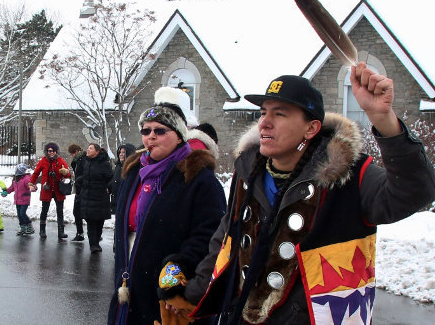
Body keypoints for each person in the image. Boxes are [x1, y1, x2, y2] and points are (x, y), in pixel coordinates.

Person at [159, 63, 435, 325]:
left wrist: (384, 120)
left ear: (311, 128)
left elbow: (415, 191)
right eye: (264, 112)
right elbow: (225, 242)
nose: (264, 122)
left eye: (279, 114)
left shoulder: (348, 176)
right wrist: (190, 295)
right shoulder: (248, 173)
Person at [107, 87, 227, 324]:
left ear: (180, 135)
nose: (151, 136)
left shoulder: (198, 178)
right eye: (146, 130)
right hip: (128, 282)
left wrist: (176, 270)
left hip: (170, 293)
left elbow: (210, 236)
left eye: (160, 131)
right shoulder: (134, 172)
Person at [29, 142, 71, 240]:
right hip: (46, 189)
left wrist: (65, 172)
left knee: (60, 210)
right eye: (49, 151)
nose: (51, 153)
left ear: (56, 151)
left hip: (58, 189)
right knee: (44, 210)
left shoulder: (60, 161)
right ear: (46, 152)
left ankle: (61, 232)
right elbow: (36, 173)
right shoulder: (43, 161)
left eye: (53, 151)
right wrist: (31, 183)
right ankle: (42, 230)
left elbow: (68, 174)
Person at [77, 143, 113, 253]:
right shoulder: (86, 162)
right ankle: (93, 244)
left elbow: (111, 178)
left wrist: (109, 188)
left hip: (100, 197)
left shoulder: (104, 163)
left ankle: (96, 241)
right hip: (88, 197)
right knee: (91, 222)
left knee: (99, 222)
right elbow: (83, 175)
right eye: (88, 148)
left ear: (97, 152)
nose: (87, 150)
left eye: (90, 148)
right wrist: (80, 180)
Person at [6, 163, 35, 235]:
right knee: (19, 215)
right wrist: (6, 191)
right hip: (18, 200)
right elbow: (12, 188)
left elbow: (31, 185)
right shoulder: (15, 179)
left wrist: (33, 188)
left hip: (25, 199)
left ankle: (29, 226)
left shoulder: (26, 179)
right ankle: (23, 228)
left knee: (22, 213)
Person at [108, 143, 136, 214]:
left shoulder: (133, 168)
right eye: (120, 152)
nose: (121, 154)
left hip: (126, 203)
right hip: (116, 201)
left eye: (123, 152)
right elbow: (115, 180)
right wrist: (109, 187)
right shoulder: (118, 166)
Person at [67, 143, 86, 241]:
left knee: (84, 213)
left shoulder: (83, 160)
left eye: (72, 153)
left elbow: (85, 174)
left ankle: (95, 234)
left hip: (84, 189)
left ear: (77, 151)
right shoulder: (77, 161)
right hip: (79, 189)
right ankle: (80, 233)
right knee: (77, 212)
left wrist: (79, 180)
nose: (72, 156)